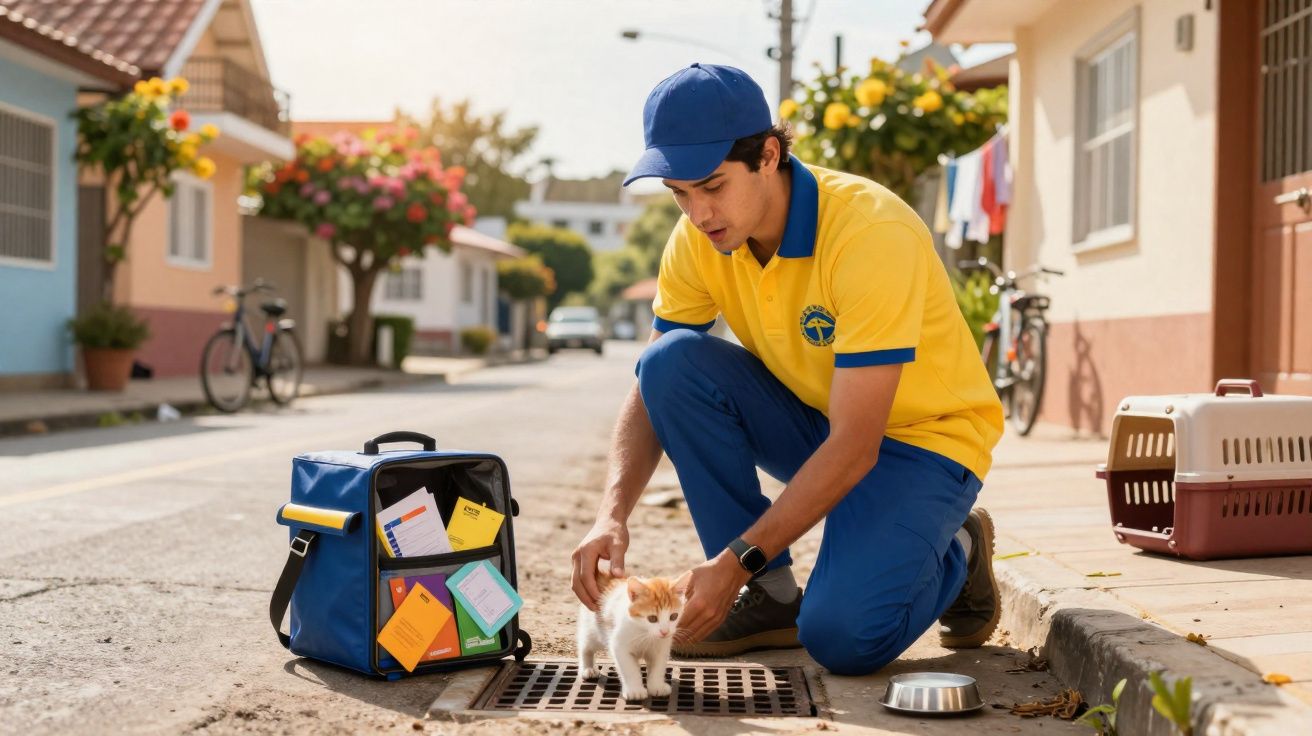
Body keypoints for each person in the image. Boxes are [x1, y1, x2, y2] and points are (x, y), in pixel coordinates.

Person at [570, 63, 1005, 675]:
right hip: (826, 422)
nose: (697, 213)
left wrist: (733, 559)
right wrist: (609, 514)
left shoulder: (868, 233)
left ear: (768, 155)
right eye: (680, 194)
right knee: (667, 364)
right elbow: (652, 388)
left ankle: (958, 547)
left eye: (713, 186)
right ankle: (768, 597)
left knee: (842, 640)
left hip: (924, 444)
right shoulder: (699, 239)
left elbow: (857, 446)